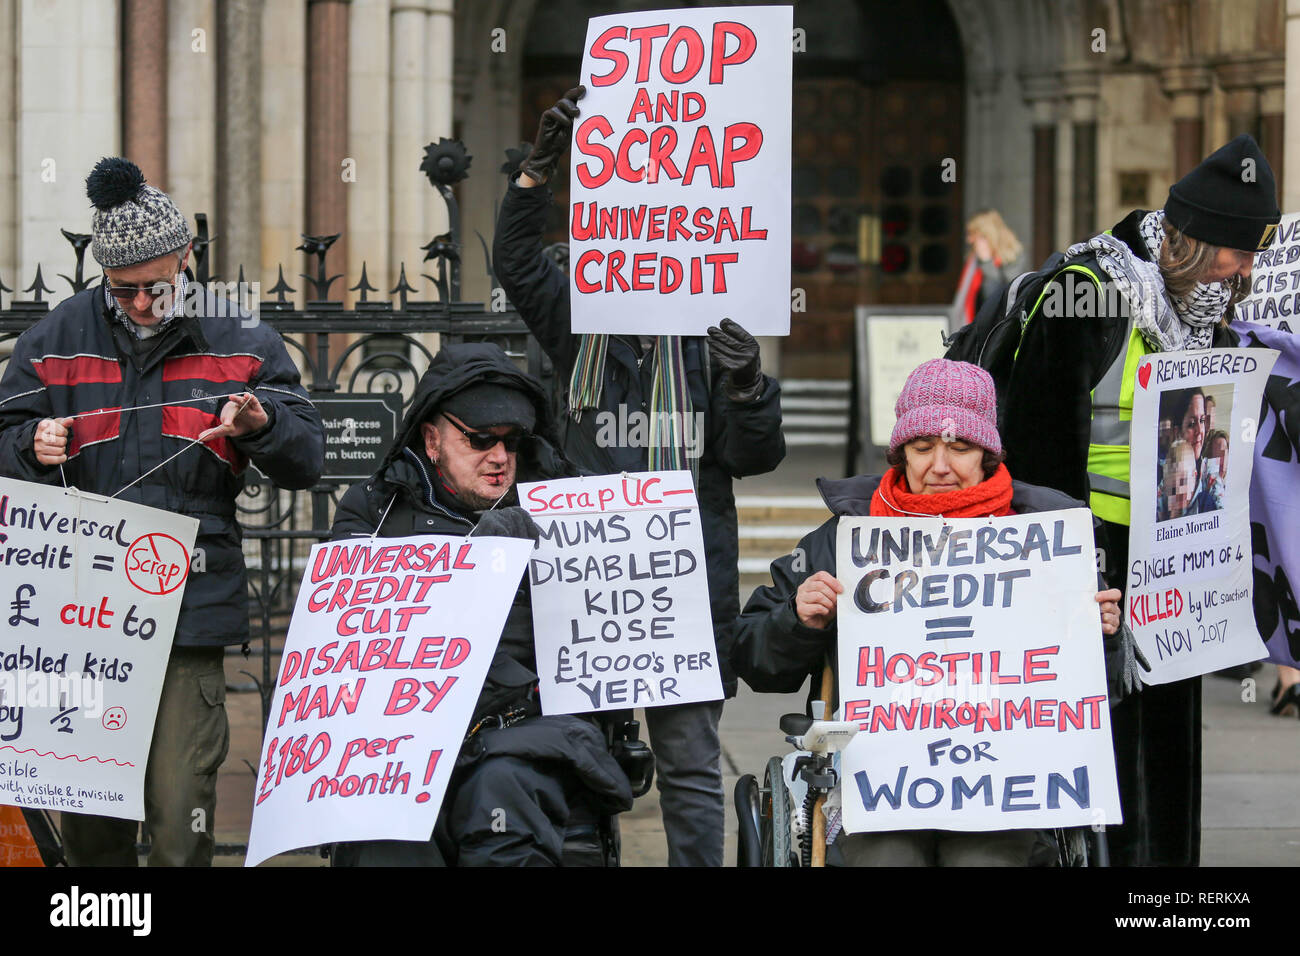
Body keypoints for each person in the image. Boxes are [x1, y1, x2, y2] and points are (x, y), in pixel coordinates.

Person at [0, 157, 325, 866]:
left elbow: (308, 459)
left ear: (187, 258)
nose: (146, 302)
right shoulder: (54, 338)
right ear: (103, 275)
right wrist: (29, 443)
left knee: (183, 821)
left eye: (160, 284)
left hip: (189, 608)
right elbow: (2, 440)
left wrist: (262, 425)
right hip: (81, 616)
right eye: (127, 290)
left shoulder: (240, 337)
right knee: (92, 832)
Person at [493, 86, 786, 867]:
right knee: (578, 753)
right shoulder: (577, 319)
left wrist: (750, 387)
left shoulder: (713, 337)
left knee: (690, 767)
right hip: (590, 581)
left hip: (685, 583)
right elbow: (516, 263)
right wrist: (537, 173)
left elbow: (754, 457)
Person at [999, 134, 1281, 865]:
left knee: (1171, 741)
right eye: (1237, 251)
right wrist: (1072, 568)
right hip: (1095, 551)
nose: (1245, 269)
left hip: (1180, 550)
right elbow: (1036, 439)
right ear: (1192, 240)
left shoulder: (1205, 298)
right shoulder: (1087, 287)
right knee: (1109, 748)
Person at [732, 359, 1121, 866]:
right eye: (922, 447)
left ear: (986, 452)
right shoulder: (847, 537)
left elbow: (1098, 695)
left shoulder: (1045, 536)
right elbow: (753, 655)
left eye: (959, 447)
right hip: (881, 778)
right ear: (901, 453)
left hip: (1006, 779)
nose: (940, 465)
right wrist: (797, 618)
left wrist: (1103, 638)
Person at [328, 342, 633, 866]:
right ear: (431, 438)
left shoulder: (565, 513)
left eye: (512, 442)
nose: (499, 458)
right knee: (388, 832)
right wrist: (479, 561)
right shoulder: (372, 512)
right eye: (479, 440)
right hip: (403, 736)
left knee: (502, 799)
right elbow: (346, 641)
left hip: (524, 731)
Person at [958, 210, 1024, 324]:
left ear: (986, 236)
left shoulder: (1012, 258)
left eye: (972, 234)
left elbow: (999, 297)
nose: (968, 240)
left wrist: (987, 262)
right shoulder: (973, 260)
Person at [1161, 439, 1199, 520]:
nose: (1178, 490)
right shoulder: (1160, 502)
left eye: (1183, 481)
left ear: (1194, 477)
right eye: (1173, 488)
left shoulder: (1204, 503)